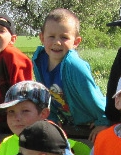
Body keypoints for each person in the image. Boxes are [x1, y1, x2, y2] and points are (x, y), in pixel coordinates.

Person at [32, 8, 108, 137]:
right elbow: (46, 93)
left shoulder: (75, 66)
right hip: (70, 121)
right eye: (51, 36)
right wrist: (52, 117)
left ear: (76, 42)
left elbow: (91, 94)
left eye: (64, 37)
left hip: (91, 119)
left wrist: (103, 120)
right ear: (42, 38)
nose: (57, 42)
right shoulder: (39, 61)